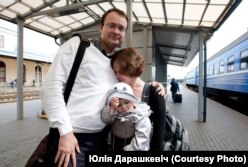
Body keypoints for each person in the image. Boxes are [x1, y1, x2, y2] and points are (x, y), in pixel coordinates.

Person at [41, 8, 164, 167]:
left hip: (104, 141)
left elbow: (133, 79)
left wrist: (155, 86)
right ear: (101, 27)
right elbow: (50, 88)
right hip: (74, 139)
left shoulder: (117, 63)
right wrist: (65, 132)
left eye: (121, 28)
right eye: (111, 25)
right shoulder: (79, 46)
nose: (116, 31)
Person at [111, 47, 166, 151]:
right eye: (115, 72)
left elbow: (159, 135)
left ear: (132, 67)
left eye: (121, 71)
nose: (117, 75)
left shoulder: (154, 92)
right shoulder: (115, 90)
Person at [101, 82, 152, 151]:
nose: (123, 107)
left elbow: (141, 140)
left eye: (126, 102)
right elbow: (105, 119)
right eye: (119, 105)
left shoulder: (140, 116)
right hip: (114, 144)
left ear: (133, 100)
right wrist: (111, 108)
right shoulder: (115, 113)